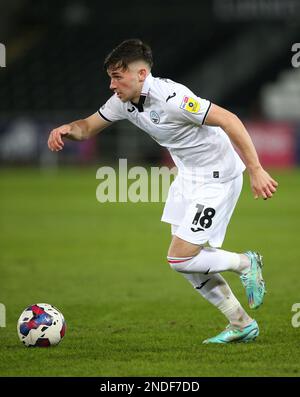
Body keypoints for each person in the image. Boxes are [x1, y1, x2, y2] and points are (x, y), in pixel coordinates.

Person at [48, 39, 278, 344]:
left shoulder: (173, 98)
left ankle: (246, 263)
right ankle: (240, 322)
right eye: (110, 77)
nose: (111, 85)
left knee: (180, 258)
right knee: (189, 263)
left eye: (118, 77)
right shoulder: (122, 102)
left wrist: (256, 169)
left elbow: (228, 119)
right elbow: (87, 127)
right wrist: (67, 128)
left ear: (141, 74)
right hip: (187, 178)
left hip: (218, 178)